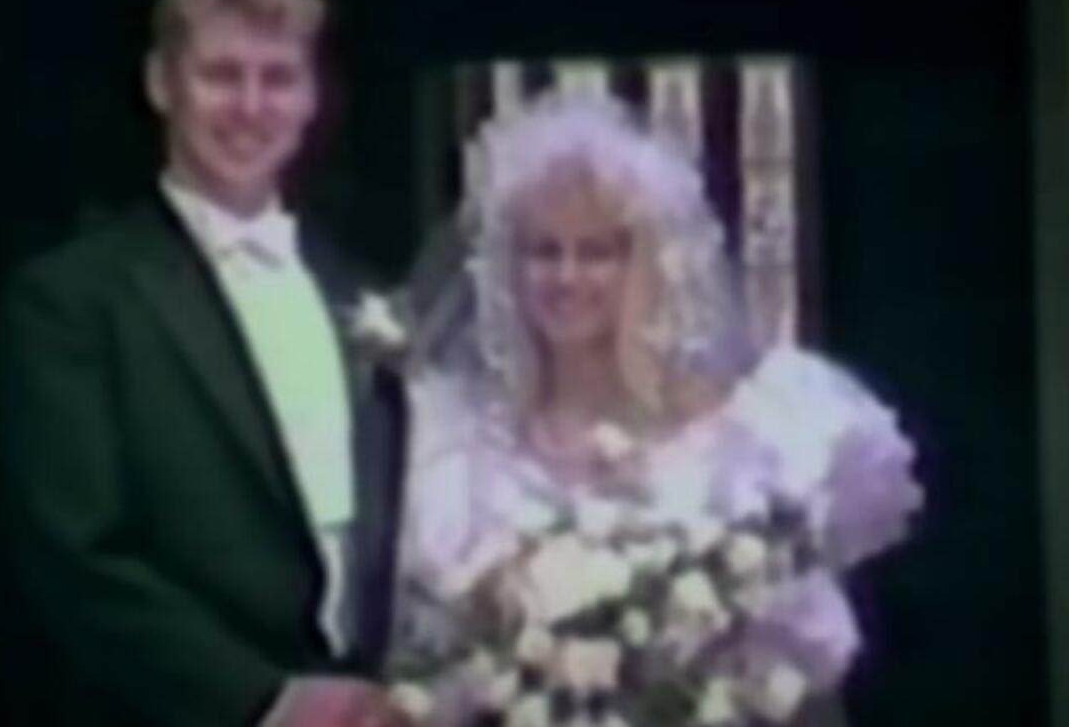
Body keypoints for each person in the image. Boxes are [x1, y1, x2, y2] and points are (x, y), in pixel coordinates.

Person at [390, 93, 922, 725]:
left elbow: (804, 683)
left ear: (647, 263)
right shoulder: (454, 450)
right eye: (544, 251)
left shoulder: (754, 433)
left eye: (596, 252)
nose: (566, 277)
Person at [0, 0, 411, 727]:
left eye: (278, 78)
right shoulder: (71, 299)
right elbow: (74, 557)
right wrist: (266, 701)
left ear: (311, 98)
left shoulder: (360, 290)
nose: (251, 106)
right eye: (221, 75)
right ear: (161, 84)